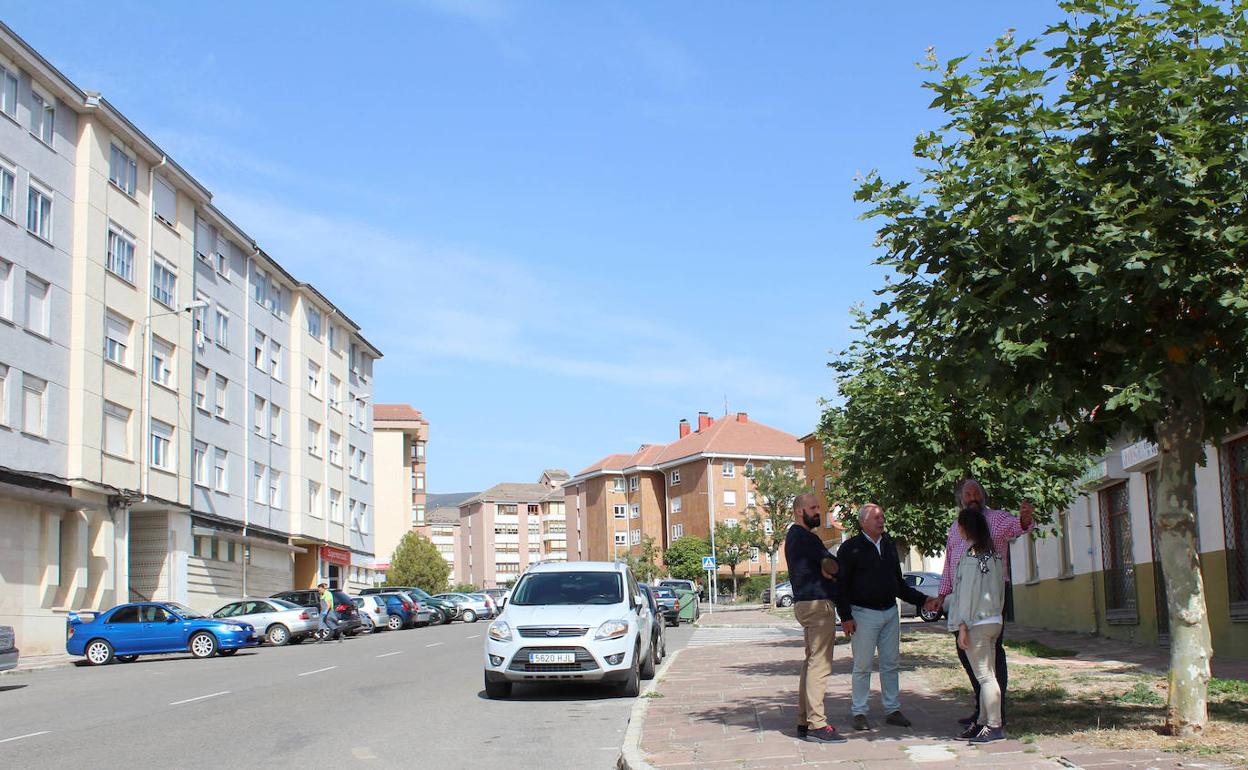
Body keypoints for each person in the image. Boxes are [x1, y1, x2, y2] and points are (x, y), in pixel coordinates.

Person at [924, 478, 1033, 736]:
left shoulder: (995, 521)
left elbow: (1018, 527)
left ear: (983, 496)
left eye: (976, 493)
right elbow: (949, 563)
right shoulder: (956, 530)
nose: (972, 497)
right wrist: (941, 595)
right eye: (967, 494)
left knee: (987, 661)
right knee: (971, 657)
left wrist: (1025, 520)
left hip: (984, 600)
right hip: (966, 600)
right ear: (961, 500)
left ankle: (995, 717)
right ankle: (983, 711)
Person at [835, 503, 929, 731]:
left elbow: (898, 584)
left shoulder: (888, 545)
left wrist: (923, 600)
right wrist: (845, 616)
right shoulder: (849, 549)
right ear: (863, 522)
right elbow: (840, 586)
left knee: (890, 664)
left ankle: (892, 709)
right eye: (877, 517)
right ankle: (859, 712)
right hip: (862, 615)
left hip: (889, 612)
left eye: (882, 517)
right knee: (862, 665)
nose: (881, 520)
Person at [783, 492, 846, 744]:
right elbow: (831, 565)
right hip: (818, 604)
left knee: (810, 663)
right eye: (813, 507)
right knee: (820, 665)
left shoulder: (793, 537)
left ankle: (803, 720)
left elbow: (825, 564)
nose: (818, 511)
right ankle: (817, 725)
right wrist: (831, 566)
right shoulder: (806, 537)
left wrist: (827, 565)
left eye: (818, 507)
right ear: (800, 511)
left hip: (804, 602)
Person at [947, 505, 1008, 743]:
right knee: (989, 674)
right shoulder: (994, 554)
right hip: (993, 619)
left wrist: (962, 625)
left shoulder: (972, 557)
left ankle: (994, 725)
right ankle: (983, 722)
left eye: (959, 526)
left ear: (965, 528)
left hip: (976, 622)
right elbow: (1001, 588)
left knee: (985, 677)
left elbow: (968, 593)